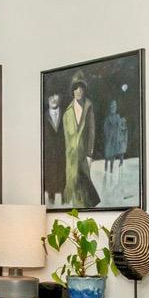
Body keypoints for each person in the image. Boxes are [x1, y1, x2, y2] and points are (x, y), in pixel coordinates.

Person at [62, 79, 99, 208]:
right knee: (74, 182)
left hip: (84, 154)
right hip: (71, 156)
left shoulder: (88, 107)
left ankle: (89, 207)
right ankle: (78, 209)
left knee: (85, 181)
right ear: (73, 92)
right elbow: (66, 138)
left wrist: (89, 153)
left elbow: (91, 131)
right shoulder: (67, 113)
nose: (79, 91)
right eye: (76, 88)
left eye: (81, 88)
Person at [41, 89, 66, 203]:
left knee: (64, 185)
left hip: (63, 156)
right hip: (49, 158)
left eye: (55, 95)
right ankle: (51, 201)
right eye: (50, 96)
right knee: (50, 185)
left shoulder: (66, 115)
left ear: (59, 97)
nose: (53, 99)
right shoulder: (42, 117)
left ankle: (64, 202)